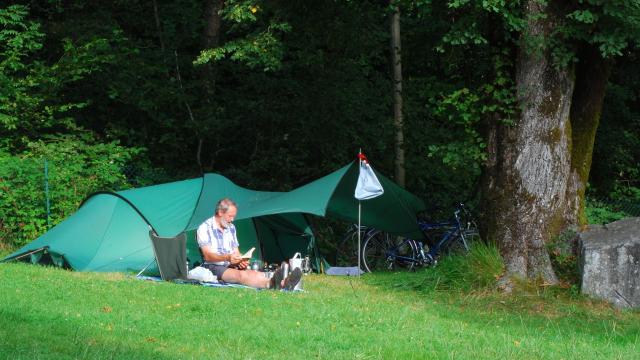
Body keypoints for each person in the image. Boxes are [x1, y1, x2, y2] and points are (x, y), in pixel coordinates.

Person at [196, 198, 301, 290]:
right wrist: (227, 257)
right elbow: (207, 256)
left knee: (254, 273)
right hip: (212, 267)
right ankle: (272, 284)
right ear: (220, 212)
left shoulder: (231, 228)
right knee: (241, 275)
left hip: (229, 265)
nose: (232, 219)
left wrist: (240, 260)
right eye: (230, 216)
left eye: (234, 216)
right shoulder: (204, 228)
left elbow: (236, 252)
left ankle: (284, 283)